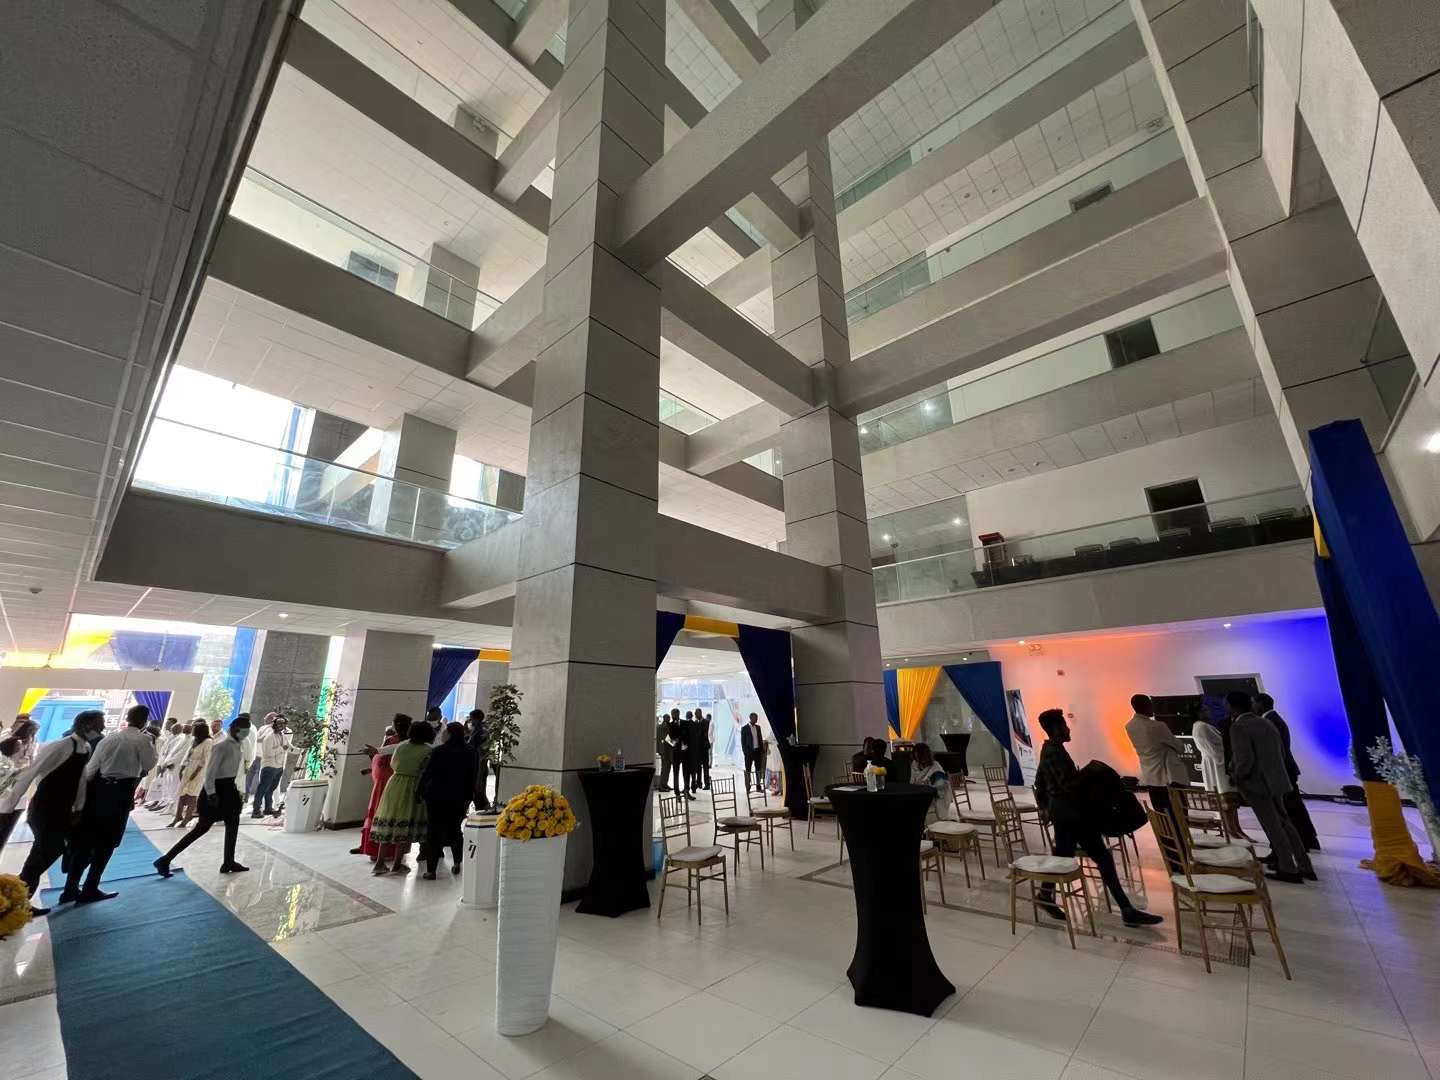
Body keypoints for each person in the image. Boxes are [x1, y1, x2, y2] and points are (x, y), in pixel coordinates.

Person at [1033, 709, 1163, 927]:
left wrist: (1045, 807)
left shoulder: (1051, 750)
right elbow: (1066, 785)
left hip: (1065, 814)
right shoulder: (1053, 751)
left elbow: (1041, 780)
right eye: (1064, 725)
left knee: (1064, 856)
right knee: (1101, 857)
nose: (1068, 729)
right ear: (1056, 729)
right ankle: (1126, 910)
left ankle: (1045, 895)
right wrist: (1089, 771)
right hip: (1072, 816)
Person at [6, 711, 106, 915]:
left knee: (51, 851)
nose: (102, 728)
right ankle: (17, 902)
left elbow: (80, 780)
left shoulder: (86, 747)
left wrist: (78, 807)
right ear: (85, 725)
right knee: (43, 853)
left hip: (63, 810)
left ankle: (20, 899)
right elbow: (31, 773)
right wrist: (9, 805)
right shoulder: (60, 746)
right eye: (99, 724)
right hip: (45, 808)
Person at [64, 704, 159, 902]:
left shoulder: (109, 738)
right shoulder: (143, 739)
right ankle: (90, 888)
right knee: (107, 843)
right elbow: (149, 764)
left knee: (86, 842)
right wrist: (152, 745)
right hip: (121, 792)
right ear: (145, 721)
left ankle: (70, 889)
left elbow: (90, 770)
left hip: (99, 791)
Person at [1228, 692, 1315, 883]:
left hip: (1257, 785)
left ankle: (1288, 868)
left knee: (1273, 828)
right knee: (1285, 824)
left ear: (1232, 707)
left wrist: (1236, 776)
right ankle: (1305, 865)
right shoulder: (1266, 723)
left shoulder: (1239, 727)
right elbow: (1281, 752)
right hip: (1276, 781)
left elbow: (1244, 759)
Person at [154, 715, 253, 879]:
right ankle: (165, 860)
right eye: (244, 729)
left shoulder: (239, 746)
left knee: (233, 825)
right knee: (202, 828)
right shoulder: (222, 746)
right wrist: (212, 793)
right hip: (217, 790)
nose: (246, 732)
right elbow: (210, 773)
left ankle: (229, 861)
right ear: (235, 728)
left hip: (230, 788)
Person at [1124, 694, 1186, 870]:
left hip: (1151, 778)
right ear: (1145, 706)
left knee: (1164, 820)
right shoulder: (1157, 726)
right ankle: (1183, 857)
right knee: (1178, 820)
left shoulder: (1129, 726)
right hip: (1167, 778)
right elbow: (1179, 747)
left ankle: (1172, 858)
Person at [369, 720, 436, 875]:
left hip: (395, 783)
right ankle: (397, 864)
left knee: (389, 820)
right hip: (414, 785)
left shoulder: (401, 746)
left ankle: (379, 863)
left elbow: (393, 763)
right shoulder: (428, 750)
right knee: (405, 824)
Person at [1255, 694, 1320, 852]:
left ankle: (1301, 842)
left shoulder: (1269, 722)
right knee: (1295, 807)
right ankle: (1308, 839)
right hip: (1286, 769)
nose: (1252, 706)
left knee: (1290, 808)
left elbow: (1274, 752)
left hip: (1282, 771)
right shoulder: (1274, 719)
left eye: (1253, 703)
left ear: (1260, 704)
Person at [418, 721, 478, 879]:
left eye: (445, 732)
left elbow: (428, 772)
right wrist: (469, 796)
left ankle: (431, 871)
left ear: (450, 734)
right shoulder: (471, 752)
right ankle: (457, 862)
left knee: (434, 831)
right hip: (459, 797)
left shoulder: (439, 751)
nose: (442, 735)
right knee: (455, 830)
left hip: (436, 796)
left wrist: (420, 791)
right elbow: (473, 776)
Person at [354, 714, 411, 858]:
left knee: (380, 814)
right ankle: (380, 850)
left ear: (396, 726)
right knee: (391, 816)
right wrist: (371, 769)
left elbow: (383, 759)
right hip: (392, 781)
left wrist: (377, 751)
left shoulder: (396, 741)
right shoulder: (406, 742)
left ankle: (374, 850)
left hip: (385, 783)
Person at [169, 721, 212, 828]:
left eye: (194, 728)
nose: (191, 730)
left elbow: (205, 759)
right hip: (188, 768)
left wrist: (196, 772)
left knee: (192, 794)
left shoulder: (208, 742)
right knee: (182, 792)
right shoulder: (194, 740)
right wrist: (182, 768)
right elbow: (187, 755)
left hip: (198, 771)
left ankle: (188, 817)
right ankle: (178, 816)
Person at [252, 713, 291, 818]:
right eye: (279, 724)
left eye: (283, 724)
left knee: (271, 789)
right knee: (262, 788)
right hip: (269, 766)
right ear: (275, 724)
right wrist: (281, 748)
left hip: (279, 766)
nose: (281, 726)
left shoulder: (283, 736)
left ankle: (268, 808)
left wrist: (301, 750)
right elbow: (269, 753)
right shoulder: (269, 736)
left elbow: (289, 747)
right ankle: (256, 810)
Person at [910, 743, 955, 819]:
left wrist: (928, 784)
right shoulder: (914, 764)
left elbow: (942, 786)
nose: (916, 757)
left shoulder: (935, 766)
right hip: (920, 792)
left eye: (918, 755)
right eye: (915, 754)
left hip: (936, 795)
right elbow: (912, 781)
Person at [465, 709, 490, 812]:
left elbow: (475, 746)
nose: (470, 721)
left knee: (478, 787)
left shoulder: (481, 731)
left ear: (476, 719)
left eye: (471, 718)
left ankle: (483, 808)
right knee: (476, 787)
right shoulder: (476, 730)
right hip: (477, 762)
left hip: (479, 763)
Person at [741, 713, 766, 793]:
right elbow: (743, 742)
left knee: (758, 770)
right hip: (749, 753)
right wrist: (745, 752)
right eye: (755, 718)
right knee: (748, 770)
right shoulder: (744, 728)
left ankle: (758, 787)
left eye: (757, 718)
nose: (756, 719)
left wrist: (762, 750)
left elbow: (760, 739)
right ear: (751, 718)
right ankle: (748, 787)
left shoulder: (758, 727)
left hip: (757, 752)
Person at [665, 709, 687, 798]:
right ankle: (677, 792)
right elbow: (670, 737)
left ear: (678, 714)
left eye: (674, 714)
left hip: (685, 751)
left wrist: (683, 741)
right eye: (672, 714)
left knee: (686, 773)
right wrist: (675, 740)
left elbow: (687, 735)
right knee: (676, 773)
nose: (673, 716)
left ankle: (686, 790)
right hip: (675, 752)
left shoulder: (684, 723)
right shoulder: (670, 724)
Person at [656, 715, 673, 792]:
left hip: (667, 751)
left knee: (667, 768)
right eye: (668, 718)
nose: (669, 719)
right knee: (665, 769)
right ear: (665, 719)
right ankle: (661, 786)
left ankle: (665, 784)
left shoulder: (664, 726)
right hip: (664, 751)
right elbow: (667, 738)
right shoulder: (661, 727)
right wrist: (675, 743)